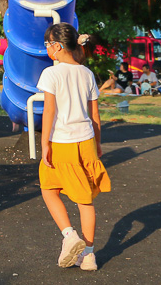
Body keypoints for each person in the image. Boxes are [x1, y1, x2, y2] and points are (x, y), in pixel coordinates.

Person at [37, 23, 111, 271]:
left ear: (57, 46)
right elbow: (95, 115)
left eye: (47, 44)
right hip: (87, 141)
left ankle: (69, 236)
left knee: (49, 189)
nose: (47, 48)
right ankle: (88, 255)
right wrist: (98, 143)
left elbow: (49, 111)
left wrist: (44, 142)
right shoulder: (87, 73)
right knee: (85, 199)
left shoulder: (51, 73)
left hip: (62, 142)